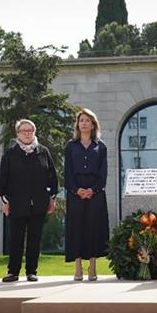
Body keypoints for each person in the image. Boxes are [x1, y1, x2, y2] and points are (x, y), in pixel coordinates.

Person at [0, 119, 58, 282]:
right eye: (24, 130)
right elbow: (3, 179)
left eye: (30, 130)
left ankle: (32, 271)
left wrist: (52, 199)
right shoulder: (10, 154)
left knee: (34, 240)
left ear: (34, 132)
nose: (27, 133)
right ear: (18, 134)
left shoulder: (43, 152)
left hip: (38, 204)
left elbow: (52, 178)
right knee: (15, 239)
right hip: (16, 204)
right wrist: (4, 201)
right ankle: (13, 272)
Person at [64, 108, 109, 281]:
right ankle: (78, 267)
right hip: (75, 192)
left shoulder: (101, 146)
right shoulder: (71, 146)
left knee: (93, 228)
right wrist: (76, 190)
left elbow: (103, 172)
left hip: (95, 193)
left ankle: (92, 266)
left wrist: (93, 189)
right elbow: (67, 171)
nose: (84, 123)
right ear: (78, 124)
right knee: (76, 228)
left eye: (87, 120)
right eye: (81, 120)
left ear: (93, 124)